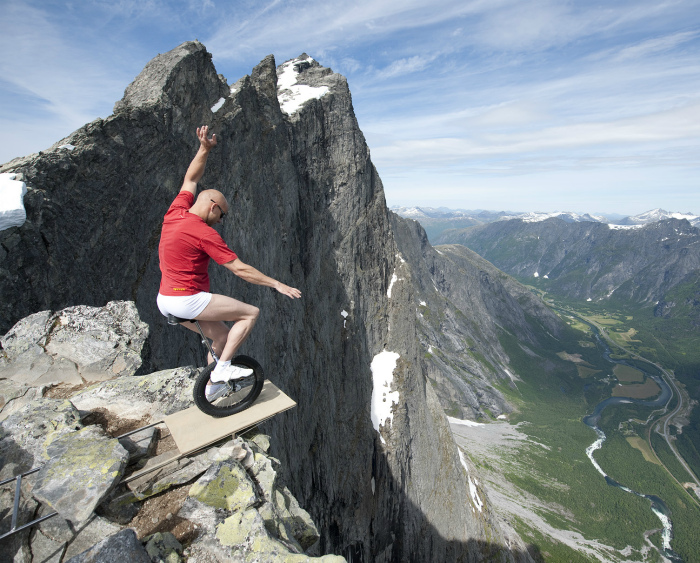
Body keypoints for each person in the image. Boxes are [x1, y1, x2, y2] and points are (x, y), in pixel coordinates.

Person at [157, 125, 301, 400]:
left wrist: (203, 149)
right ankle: (222, 368)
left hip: (165, 299)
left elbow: (190, 179)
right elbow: (239, 269)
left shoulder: (175, 212)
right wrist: (277, 284)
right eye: (222, 215)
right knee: (250, 313)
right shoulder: (203, 233)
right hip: (186, 298)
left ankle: (211, 389)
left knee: (221, 338)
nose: (222, 221)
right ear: (213, 207)